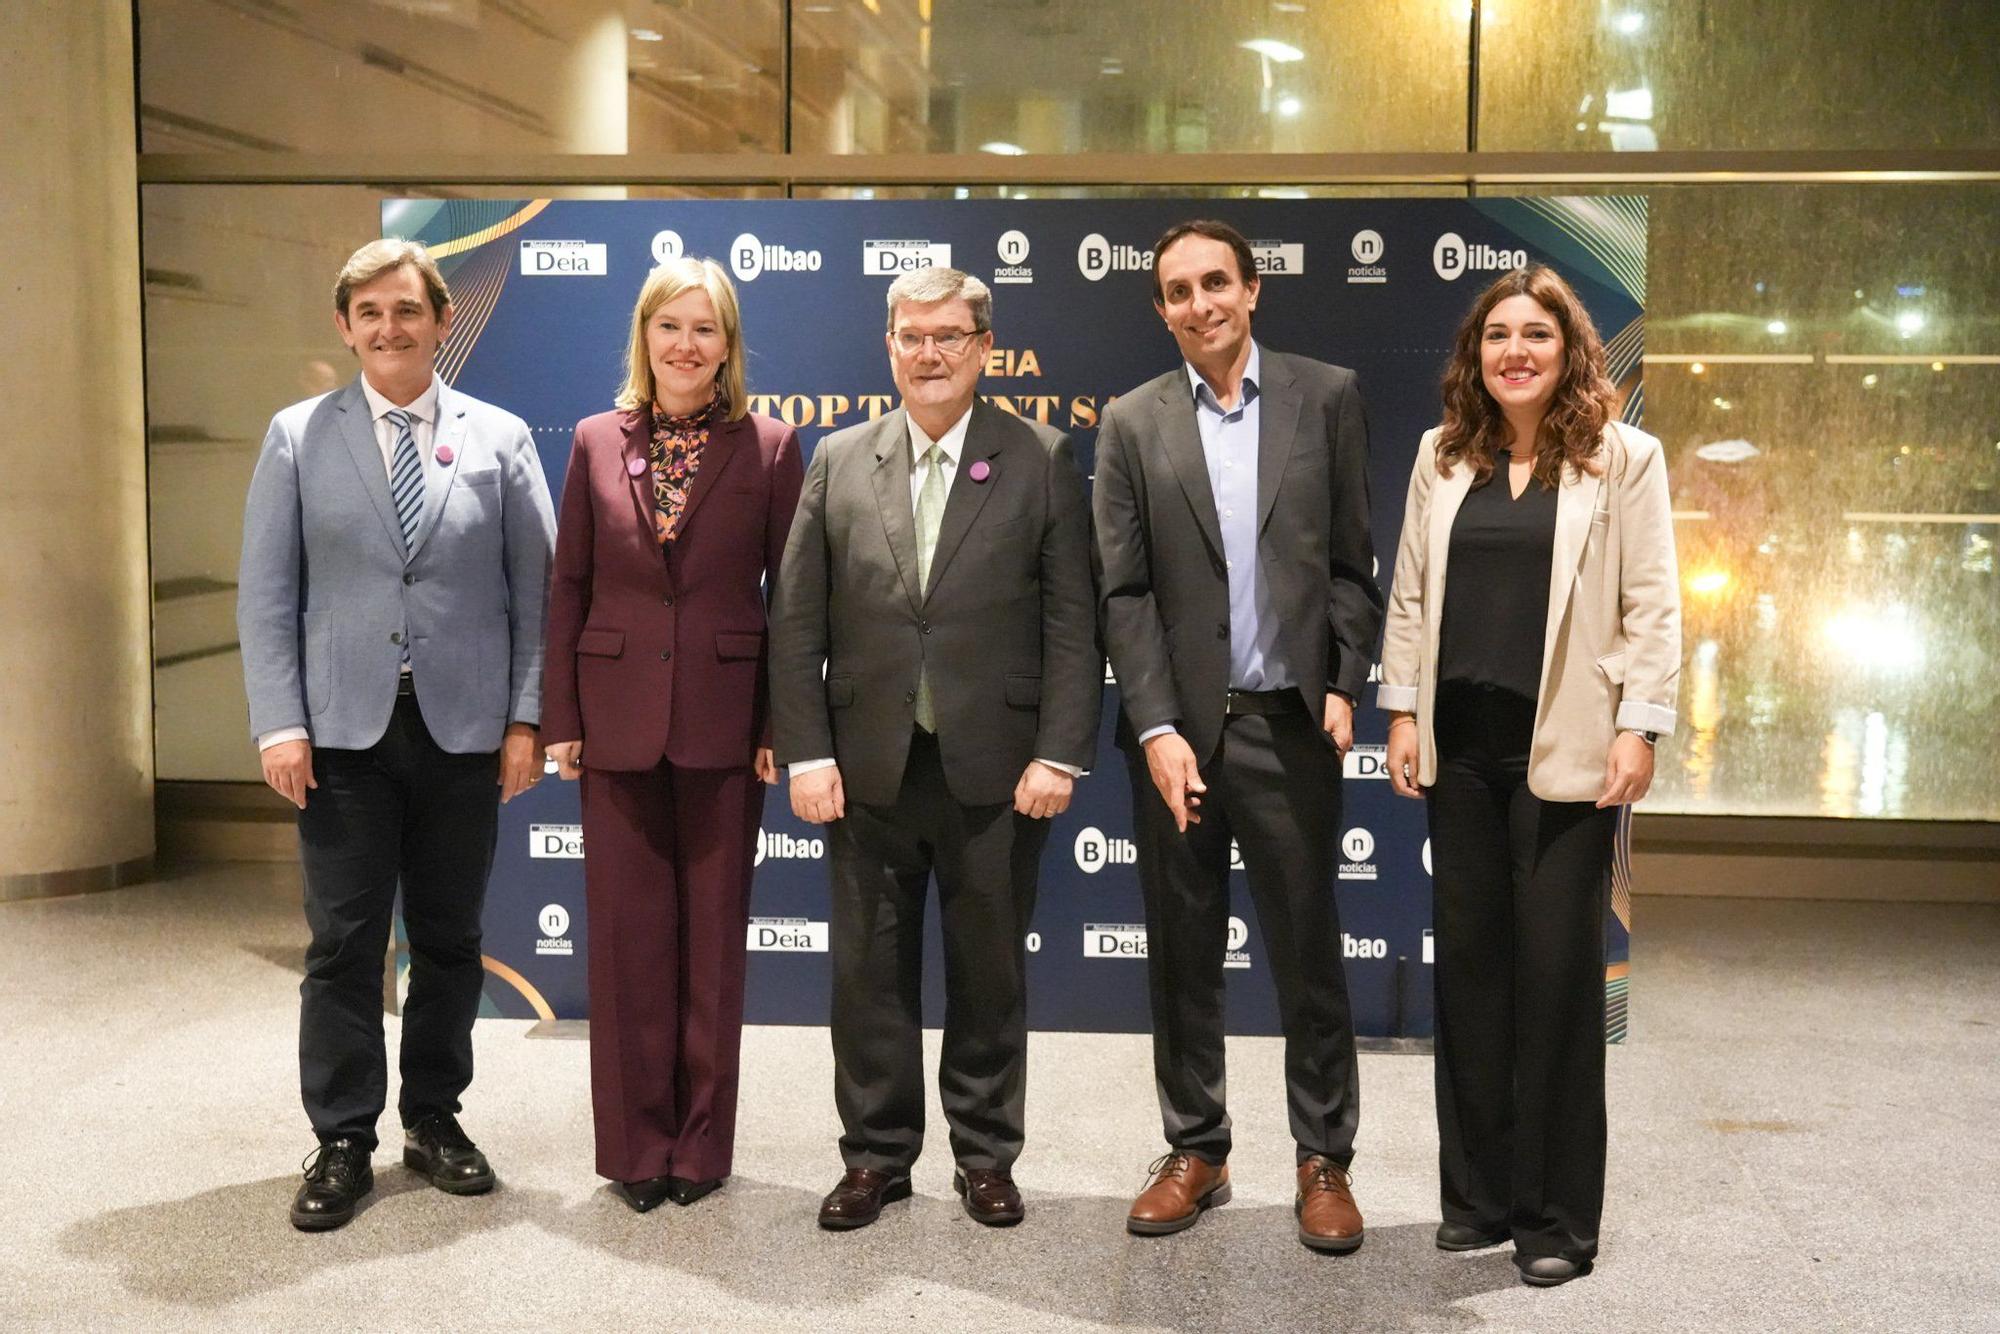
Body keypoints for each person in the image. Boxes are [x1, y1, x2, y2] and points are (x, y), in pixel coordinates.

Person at [768, 266, 1099, 1230]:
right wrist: (806, 752)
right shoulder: (838, 459)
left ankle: (986, 1156)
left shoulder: (1040, 456)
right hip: (866, 767)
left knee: (989, 974)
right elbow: (795, 624)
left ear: (984, 349)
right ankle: (875, 1157)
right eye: (912, 337)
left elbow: (1073, 623)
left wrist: (1060, 753)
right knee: (866, 976)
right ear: (889, 348)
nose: (930, 353)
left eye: (949, 336)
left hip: (998, 771)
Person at [237, 238, 556, 1231]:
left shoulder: (500, 437)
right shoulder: (296, 436)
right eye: (368, 312)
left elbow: (536, 594)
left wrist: (525, 717)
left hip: (463, 731)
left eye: (406, 311)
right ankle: (342, 1134)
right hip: (338, 735)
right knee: (342, 944)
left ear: (440, 319)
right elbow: (267, 594)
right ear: (345, 326)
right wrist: (279, 722)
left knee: (451, 937)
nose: (388, 328)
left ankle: (433, 1116)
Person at [1378, 264, 1680, 1287]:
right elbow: (1410, 593)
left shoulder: (1622, 458)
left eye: (1535, 337)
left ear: (1567, 352)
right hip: (1458, 751)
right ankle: (1474, 1199)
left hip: (1572, 752)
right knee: (1469, 977)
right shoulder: (1440, 455)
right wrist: (1401, 711)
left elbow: (1652, 604)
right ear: (1475, 352)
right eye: (1497, 334)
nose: (1514, 350)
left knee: (1553, 985)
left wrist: (1640, 728)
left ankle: (1554, 1215)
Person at [1093, 219, 1382, 1253]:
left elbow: (1352, 561)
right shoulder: (1129, 422)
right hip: (1176, 738)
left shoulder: (1326, 395)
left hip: (1287, 725)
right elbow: (1121, 588)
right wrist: (1156, 723)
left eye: (1215, 281)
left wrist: (1344, 680)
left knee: (1308, 953)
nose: (1198, 302)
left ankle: (1322, 1158)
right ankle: (1196, 1148)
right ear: (1160, 308)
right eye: (1176, 290)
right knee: (1180, 952)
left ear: (1251, 289)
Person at [539, 256, 803, 1213]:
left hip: (727, 727)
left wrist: (780, 721)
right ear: (643, 338)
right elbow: (569, 583)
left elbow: (794, 600)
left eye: (704, 329)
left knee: (712, 953)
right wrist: (560, 717)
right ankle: (635, 1149)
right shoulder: (592, 440)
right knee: (627, 946)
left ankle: (698, 1150)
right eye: (669, 327)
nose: (685, 346)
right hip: (612, 725)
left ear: (727, 346)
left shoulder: (770, 446)